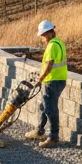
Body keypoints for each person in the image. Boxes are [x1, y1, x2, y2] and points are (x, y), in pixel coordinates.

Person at [24, 19, 68, 147]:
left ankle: (53, 137)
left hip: (52, 81)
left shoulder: (52, 46)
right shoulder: (59, 42)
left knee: (50, 109)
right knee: (44, 106)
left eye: (43, 35)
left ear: (49, 33)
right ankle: (39, 130)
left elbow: (49, 66)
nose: (42, 38)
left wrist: (40, 80)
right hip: (58, 79)